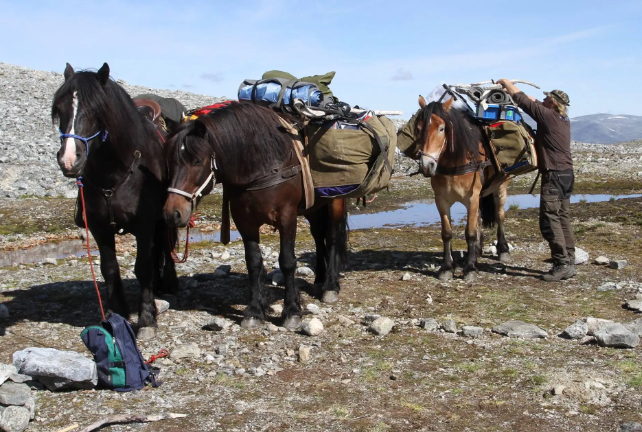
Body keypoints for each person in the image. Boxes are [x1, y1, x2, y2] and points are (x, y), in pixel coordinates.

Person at [497, 79, 575, 282]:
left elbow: (524, 100)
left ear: (553, 102)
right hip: (566, 174)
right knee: (562, 217)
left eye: (547, 97)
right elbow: (532, 101)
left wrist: (505, 82)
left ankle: (561, 264)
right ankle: (569, 260)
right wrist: (510, 88)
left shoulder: (548, 116)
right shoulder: (561, 118)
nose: (543, 98)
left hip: (555, 175)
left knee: (549, 220)